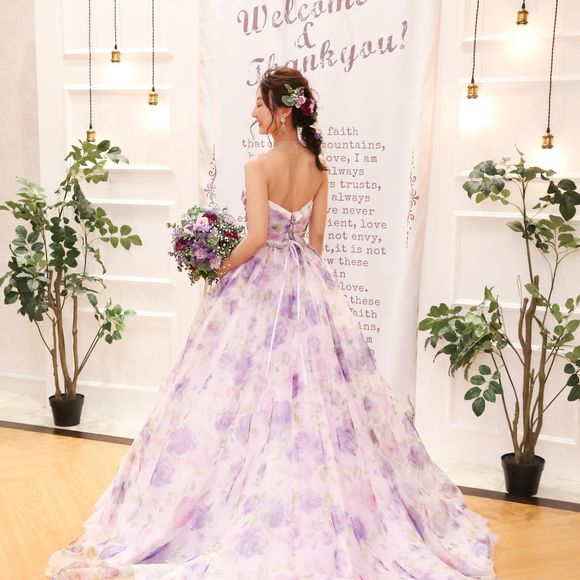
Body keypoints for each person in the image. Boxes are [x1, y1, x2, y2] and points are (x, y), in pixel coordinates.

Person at [46, 66, 499, 579]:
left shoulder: (258, 165)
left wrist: (220, 265)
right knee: (310, 395)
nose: (254, 113)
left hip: (260, 283)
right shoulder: (319, 166)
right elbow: (316, 242)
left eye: (260, 105)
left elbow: (257, 237)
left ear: (282, 111)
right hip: (307, 280)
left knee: (236, 385)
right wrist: (304, 287)